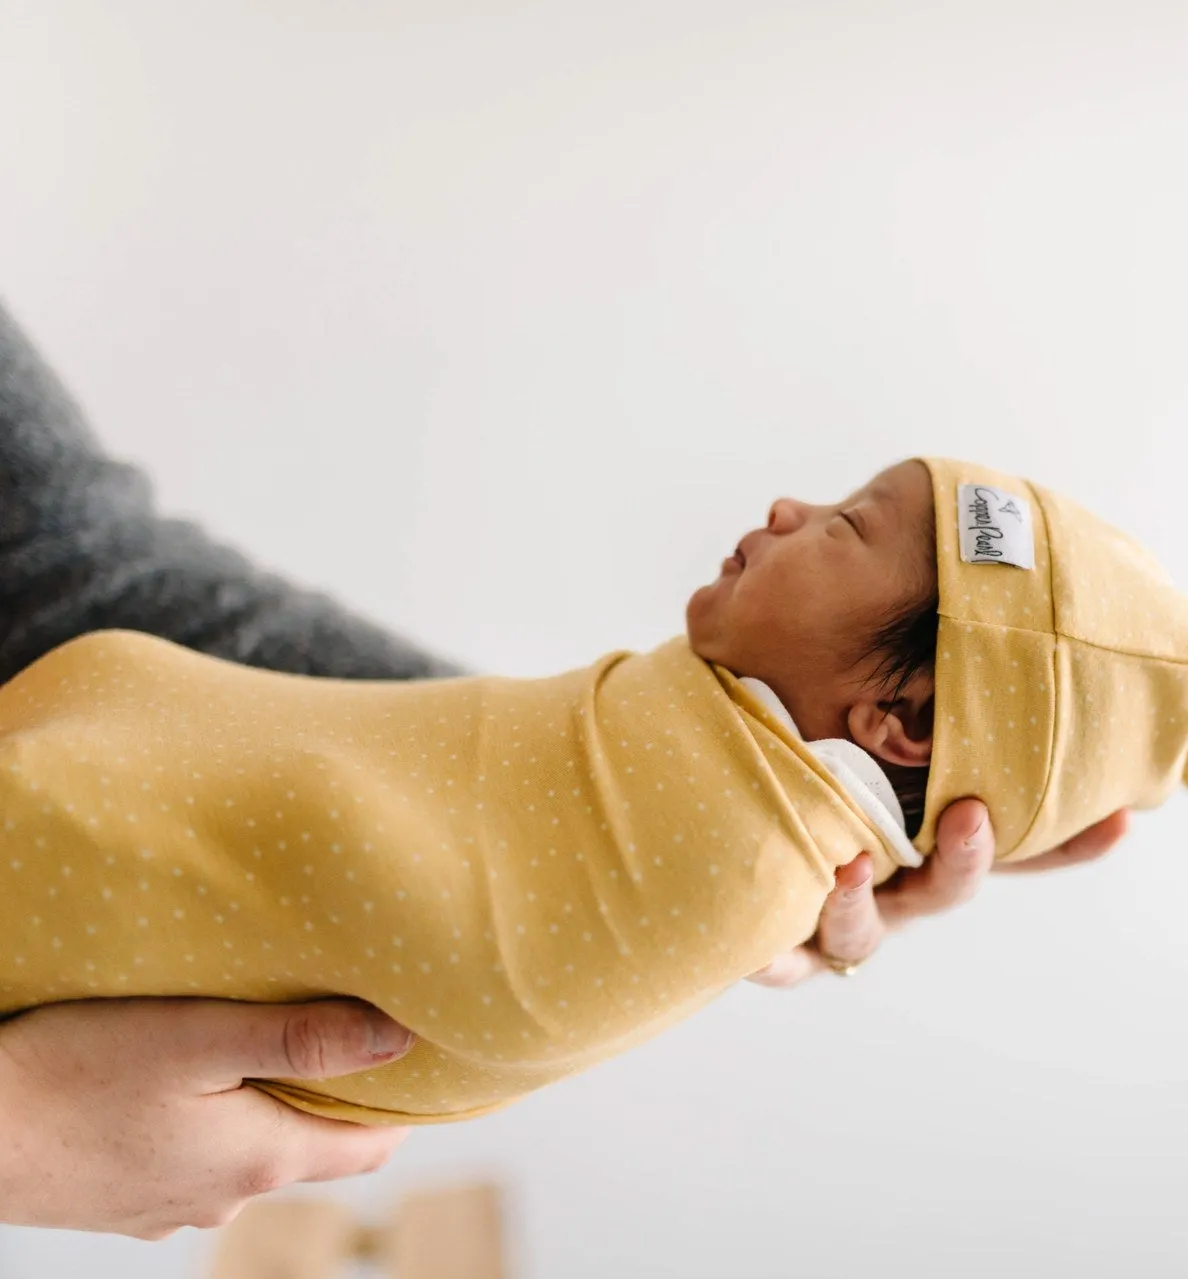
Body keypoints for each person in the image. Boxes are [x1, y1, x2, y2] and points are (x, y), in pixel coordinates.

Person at [0, 299, 1130, 1235]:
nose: (789, 506)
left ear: (900, 724)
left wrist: (608, 801)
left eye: (842, 530)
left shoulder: (720, 848)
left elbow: (59, 556)